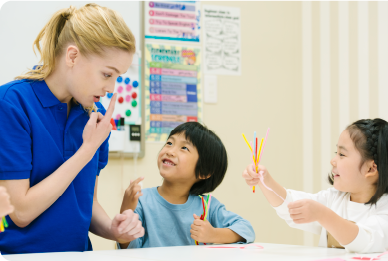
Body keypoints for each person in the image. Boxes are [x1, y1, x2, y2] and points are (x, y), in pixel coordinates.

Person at [0, 4, 144, 254]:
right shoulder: (12, 104)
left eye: (117, 77)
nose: (111, 87)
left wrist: (113, 229)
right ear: (73, 56)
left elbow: (87, 204)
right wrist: (87, 150)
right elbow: (20, 211)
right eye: (107, 74)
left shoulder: (93, 117)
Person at [242, 118, 388, 253]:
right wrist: (265, 180)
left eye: (342, 154)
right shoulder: (334, 199)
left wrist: (323, 215)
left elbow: (365, 240)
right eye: (336, 153)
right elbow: (289, 205)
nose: (333, 160)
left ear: (371, 168)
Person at [120, 122, 255, 248]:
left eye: (184, 148)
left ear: (204, 171)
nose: (170, 151)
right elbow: (128, 248)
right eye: (169, 143)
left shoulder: (208, 206)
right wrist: (126, 211)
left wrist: (213, 234)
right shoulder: (142, 200)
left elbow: (247, 230)